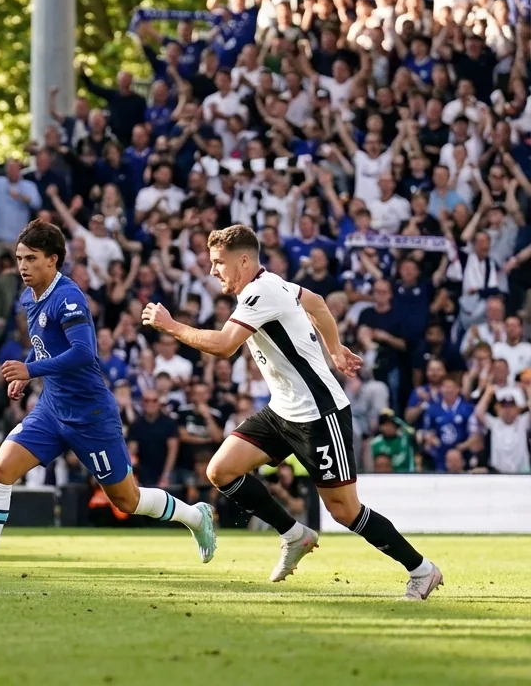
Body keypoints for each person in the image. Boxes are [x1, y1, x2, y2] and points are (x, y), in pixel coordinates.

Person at [142, 224, 443, 600]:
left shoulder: (261, 291)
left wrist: (171, 326)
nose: (213, 271)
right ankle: (294, 533)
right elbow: (315, 300)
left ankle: (422, 569)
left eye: (219, 262)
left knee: (345, 511)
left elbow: (222, 346)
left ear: (244, 260)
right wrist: (334, 349)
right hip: (283, 411)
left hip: (320, 414)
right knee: (221, 470)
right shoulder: (275, 284)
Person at [0, 220, 214, 590]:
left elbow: (85, 353)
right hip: (52, 409)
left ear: (53, 260)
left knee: (126, 500)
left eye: (31, 259)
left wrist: (30, 368)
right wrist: (26, 373)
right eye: (20, 258)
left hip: (90, 415)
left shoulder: (68, 298)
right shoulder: (28, 296)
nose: (22, 266)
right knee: (0, 471)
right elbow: (43, 346)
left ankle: (195, 517)